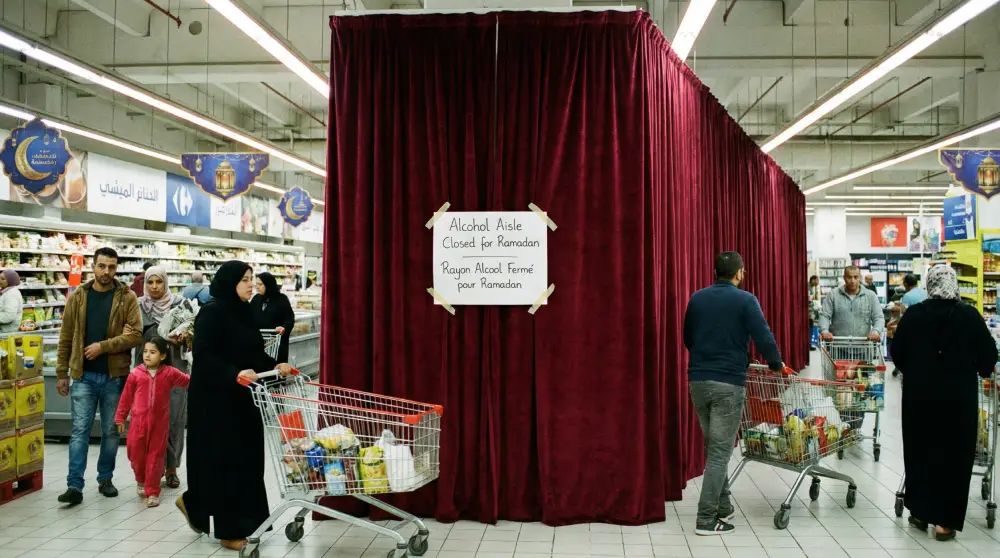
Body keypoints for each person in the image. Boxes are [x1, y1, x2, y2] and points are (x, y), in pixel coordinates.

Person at [176, 260, 294, 551]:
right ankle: (228, 530)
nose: (250, 284)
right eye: (244, 279)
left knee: (248, 461)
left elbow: (252, 353)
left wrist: (275, 365)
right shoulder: (212, 313)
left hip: (245, 400)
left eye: (252, 278)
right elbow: (204, 356)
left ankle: (234, 517)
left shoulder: (246, 312)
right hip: (216, 403)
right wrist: (233, 374)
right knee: (224, 464)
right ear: (230, 282)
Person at [891, 265, 997, 541]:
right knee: (954, 455)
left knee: (920, 450)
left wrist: (915, 371)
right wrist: (976, 368)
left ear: (929, 284)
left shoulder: (914, 315)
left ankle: (921, 513)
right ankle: (944, 523)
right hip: (958, 398)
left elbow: (897, 352)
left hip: (919, 396)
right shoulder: (969, 316)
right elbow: (988, 356)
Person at [684, 252, 785, 536]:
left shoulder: (697, 298)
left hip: (698, 380)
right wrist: (776, 364)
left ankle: (723, 504)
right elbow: (763, 336)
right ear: (739, 272)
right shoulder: (745, 300)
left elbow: (688, 337)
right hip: (728, 383)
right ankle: (706, 519)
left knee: (713, 447)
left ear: (715, 272)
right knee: (720, 452)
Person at [55, 247, 143, 505]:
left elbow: (136, 334)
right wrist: (62, 372)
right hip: (82, 376)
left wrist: (103, 346)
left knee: (110, 432)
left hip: (114, 376)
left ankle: (105, 478)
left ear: (117, 268)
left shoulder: (127, 297)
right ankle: (74, 486)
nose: (106, 272)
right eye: (102, 266)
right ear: (93, 266)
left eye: (112, 267)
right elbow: (66, 336)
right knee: (79, 431)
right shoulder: (78, 296)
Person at [115, 337, 190, 508]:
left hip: (159, 425)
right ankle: (140, 480)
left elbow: (187, 381)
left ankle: (153, 491)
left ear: (163, 356)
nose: (147, 355)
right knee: (136, 455)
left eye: (153, 352)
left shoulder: (169, 373)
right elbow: (125, 398)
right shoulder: (135, 374)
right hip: (137, 424)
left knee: (155, 457)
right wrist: (120, 417)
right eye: (146, 352)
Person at [136, 266, 189, 489]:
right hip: (147, 374)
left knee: (174, 419)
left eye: (159, 282)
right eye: (151, 282)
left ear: (166, 283)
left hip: (175, 371)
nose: (155, 287)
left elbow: (193, 335)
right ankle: (153, 467)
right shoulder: (139, 307)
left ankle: (172, 469)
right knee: (150, 420)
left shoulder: (180, 304)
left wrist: (185, 336)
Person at [819, 266, 884, 343]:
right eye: (849, 277)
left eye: (855, 277)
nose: (852, 281)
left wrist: (875, 331)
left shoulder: (870, 296)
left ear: (860, 277)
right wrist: (825, 331)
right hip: (838, 347)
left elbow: (878, 317)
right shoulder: (833, 295)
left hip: (864, 348)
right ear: (844, 278)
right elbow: (824, 315)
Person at [250, 272, 296, 364]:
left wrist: (284, 327)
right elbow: (249, 316)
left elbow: (289, 318)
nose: (257, 287)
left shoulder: (281, 299)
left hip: (276, 343)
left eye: (260, 284)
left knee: (276, 368)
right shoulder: (256, 299)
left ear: (268, 285)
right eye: (257, 284)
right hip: (259, 341)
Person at [808, 275, 821, 350]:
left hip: (810, 312)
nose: (818, 282)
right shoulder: (808, 287)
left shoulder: (812, 287)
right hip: (808, 312)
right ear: (812, 280)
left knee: (811, 327)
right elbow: (809, 300)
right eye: (817, 280)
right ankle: (808, 345)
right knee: (809, 328)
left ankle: (809, 344)